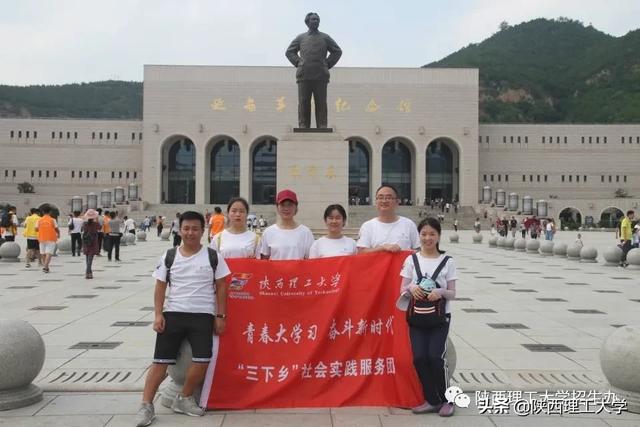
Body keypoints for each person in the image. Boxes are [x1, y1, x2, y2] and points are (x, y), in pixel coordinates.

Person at [135, 211, 230, 427]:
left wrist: (221, 316)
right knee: (160, 362)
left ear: (202, 230)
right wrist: (158, 314)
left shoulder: (212, 256)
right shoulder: (170, 256)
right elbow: (160, 287)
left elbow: (222, 286)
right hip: (174, 314)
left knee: (203, 360)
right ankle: (146, 405)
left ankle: (185, 398)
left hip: (202, 316)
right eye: (186, 228)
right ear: (180, 229)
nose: (190, 233)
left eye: (195, 229)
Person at [398, 217, 457, 417]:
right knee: (419, 358)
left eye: (432, 234)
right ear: (419, 236)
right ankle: (432, 400)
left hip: (440, 317)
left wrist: (440, 292)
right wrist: (411, 287)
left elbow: (452, 293)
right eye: (423, 234)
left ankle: (448, 399)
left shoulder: (448, 261)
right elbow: (402, 288)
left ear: (439, 236)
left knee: (435, 357)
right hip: (417, 317)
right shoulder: (411, 260)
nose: (428, 238)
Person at [285, 12, 342, 129]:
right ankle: (303, 125)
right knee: (303, 102)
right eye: (313, 20)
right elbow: (289, 52)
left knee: (321, 103)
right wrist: (298, 62)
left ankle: (322, 125)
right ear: (307, 22)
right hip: (304, 74)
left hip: (321, 75)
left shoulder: (325, 37)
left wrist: (327, 64)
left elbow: (337, 51)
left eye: (317, 20)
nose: (315, 21)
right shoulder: (301, 38)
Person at [357, 184, 420, 254]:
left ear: (397, 202)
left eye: (388, 198)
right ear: (376, 201)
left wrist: (401, 251)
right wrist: (382, 248)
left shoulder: (409, 224)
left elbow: (418, 251)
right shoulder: (367, 226)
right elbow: (361, 253)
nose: (384, 201)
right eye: (380, 198)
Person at [260, 189, 314, 260]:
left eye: (290, 205)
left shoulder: (306, 232)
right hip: (275, 271)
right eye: (282, 205)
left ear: (296, 208)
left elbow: (310, 260)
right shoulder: (268, 232)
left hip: (298, 271)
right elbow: (264, 259)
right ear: (277, 208)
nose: (286, 208)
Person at [35, 205, 59, 273]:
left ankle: (45, 266)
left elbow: (36, 229)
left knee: (43, 253)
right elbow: (56, 228)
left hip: (41, 238)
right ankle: (45, 267)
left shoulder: (39, 220)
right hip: (51, 238)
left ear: (43, 212)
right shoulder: (52, 220)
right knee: (49, 253)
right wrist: (59, 233)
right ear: (50, 212)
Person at [81, 209, 100, 279]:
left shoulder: (84, 224)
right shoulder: (95, 224)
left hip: (86, 241)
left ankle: (90, 273)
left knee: (87, 257)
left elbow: (82, 229)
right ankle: (87, 272)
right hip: (93, 242)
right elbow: (100, 228)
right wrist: (97, 219)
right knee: (90, 258)